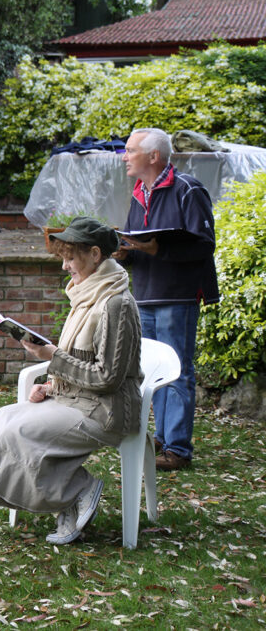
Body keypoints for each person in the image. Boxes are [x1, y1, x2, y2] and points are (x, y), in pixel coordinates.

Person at [0, 217, 142, 544]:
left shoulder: (115, 303)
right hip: (77, 399)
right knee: (2, 419)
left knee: (18, 431)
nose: (64, 266)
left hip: (106, 411)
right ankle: (67, 499)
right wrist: (51, 385)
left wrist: (52, 358)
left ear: (95, 254)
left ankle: (77, 489)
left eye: (70, 257)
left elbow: (107, 378)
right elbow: (83, 363)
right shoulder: (87, 293)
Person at [116, 127, 218, 471]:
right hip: (144, 294)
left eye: (130, 150)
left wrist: (159, 247)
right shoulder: (138, 193)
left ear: (154, 156)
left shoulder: (188, 189)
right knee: (153, 371)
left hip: (178, 296)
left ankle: (177, 448)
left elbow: (204, 244)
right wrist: (122, 255)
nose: (125, 156)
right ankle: (160, 439)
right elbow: (137, 243)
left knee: (178, 372)